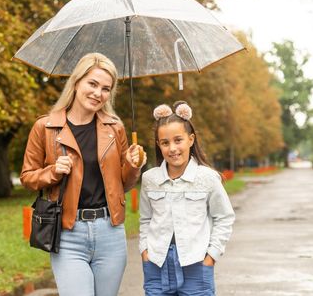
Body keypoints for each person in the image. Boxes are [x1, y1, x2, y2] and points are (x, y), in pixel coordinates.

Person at [21, 52, 147, 296]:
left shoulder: (115, 128)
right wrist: (53, 171)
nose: (98, 93)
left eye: (105, 88)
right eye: (92, 84)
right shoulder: (45, 127)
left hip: (110, 232)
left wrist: (134, 165)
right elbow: (27, 176)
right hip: (69, 233)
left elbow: (123, 184)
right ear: (76, 82)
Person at [139, 101, 236, 295]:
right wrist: (145, 251)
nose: (172, 148)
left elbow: (224, 217)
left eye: (178, 140)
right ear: (159, 145)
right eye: (165, 143)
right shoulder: (150, 179)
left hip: (196, 263)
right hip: (156, 263)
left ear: (191, 139)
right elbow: (146, 219)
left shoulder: (207, 178)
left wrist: (211, 256)